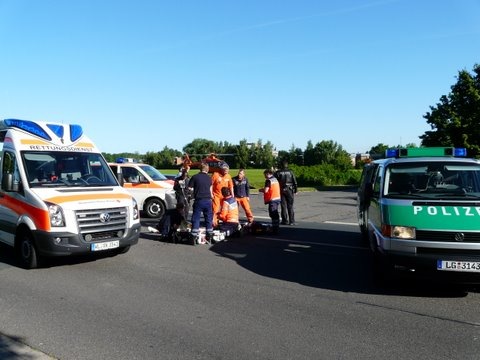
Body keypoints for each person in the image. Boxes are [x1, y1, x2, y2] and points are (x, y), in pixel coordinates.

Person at [188, 162, 214, 242]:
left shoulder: (195, 177)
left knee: (196, 218)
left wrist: (192, 194)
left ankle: (194, 235)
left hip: (199, 200)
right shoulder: (209, 178)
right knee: (208, 218)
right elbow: (210, 190)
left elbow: (190, 188)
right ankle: (209, 234)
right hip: (208, 200)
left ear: (200, 169)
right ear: (207, 169)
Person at [274, 160, 298, 225]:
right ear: (287, 165)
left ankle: (284, 220)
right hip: (289, 189)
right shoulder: (291, 172)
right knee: (290, 206)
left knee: (283, 206)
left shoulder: (277, 172)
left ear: (281, 165)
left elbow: (274, 182)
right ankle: (292, 221)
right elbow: (295, 181)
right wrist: (296, 190)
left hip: (281, 189)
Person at [211, 162, 234, 227]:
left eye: (227, 171)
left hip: (225, 196)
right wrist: (211, 194)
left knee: (225, 209)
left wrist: (232, 196)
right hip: (217, 195)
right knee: (215, 209)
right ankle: (214, 223)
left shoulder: (228, 176)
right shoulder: (215, 175)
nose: (226, 172)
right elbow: (211, 185)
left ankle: (224, 221)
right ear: (222, 169)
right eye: (225, 171)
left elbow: (231, 186)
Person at [259, 168, 281, 234]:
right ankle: (276, 227)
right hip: (277, 198)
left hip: (272, 199)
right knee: (275, 213)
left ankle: (275, 229)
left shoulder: (268, 181)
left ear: (268, 174)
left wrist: (261, 190)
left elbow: (266, 190)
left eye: (265, 175)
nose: (264, 176)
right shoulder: (275, 179)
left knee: (273, 214)